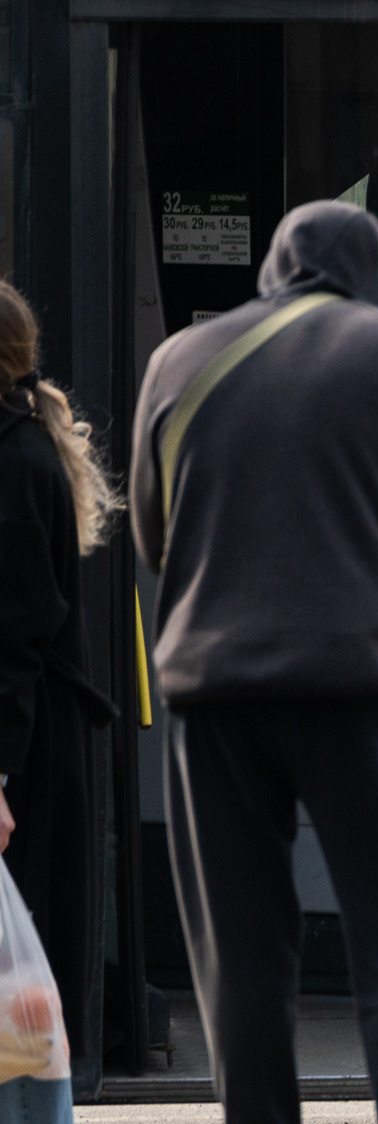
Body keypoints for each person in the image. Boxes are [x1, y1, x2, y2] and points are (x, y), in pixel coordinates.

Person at [130, 201, 378, 1124]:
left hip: (211, 699)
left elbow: (152, 537)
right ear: (375, 271)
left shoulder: (177, 360)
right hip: (354, 688)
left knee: (242, 964)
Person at [0, 279, 118, 1123]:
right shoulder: (25, 448)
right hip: (35, 749)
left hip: (24, 760)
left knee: (19, 990)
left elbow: (13, 641)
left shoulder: (10, 461)